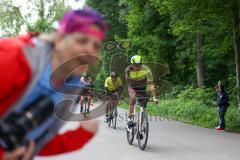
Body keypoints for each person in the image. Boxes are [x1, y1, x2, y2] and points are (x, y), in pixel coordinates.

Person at [0, 7, 107, 160]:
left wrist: (82, 135)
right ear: (59, 39)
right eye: (81, 40)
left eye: (96, 46)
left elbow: (37, 143)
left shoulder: (71, 88)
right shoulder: (15, 58)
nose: (90, 50)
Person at [125, 55, 158, 128]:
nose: (138, 67)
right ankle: (129, 119)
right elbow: (128, 82)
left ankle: (140, 127)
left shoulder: (146, 69)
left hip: (143, 88)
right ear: (131, 64)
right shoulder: (128, 70)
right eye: (135, 65)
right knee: (132, 98)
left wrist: (154, 97)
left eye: (139, 65)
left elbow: (151, 84)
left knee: (143, 107)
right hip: (132, 87)